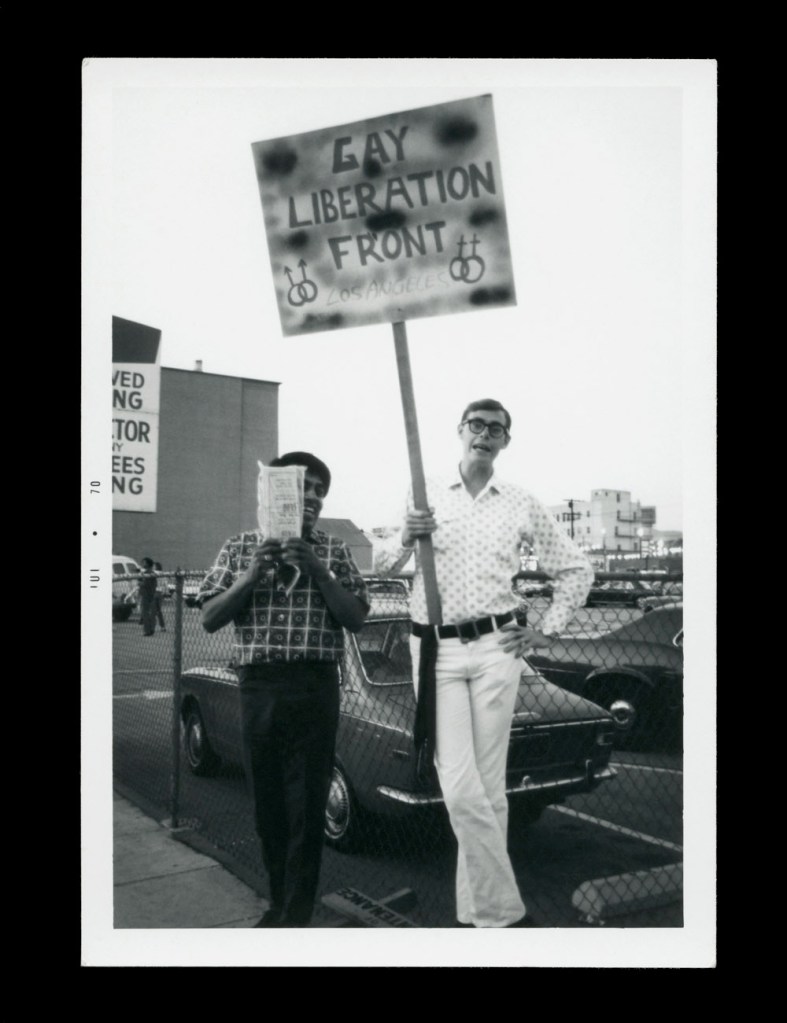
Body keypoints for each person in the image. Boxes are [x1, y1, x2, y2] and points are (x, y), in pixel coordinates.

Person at [400, 399, 593, 928]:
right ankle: (507, 912)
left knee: (488, 789)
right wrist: (404, 534)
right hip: (435, 648)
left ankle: (483, 917)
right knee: (460, 787)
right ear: (459, 431)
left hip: (496, 648)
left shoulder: (520, 502)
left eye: (496, 428)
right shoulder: (425, 494)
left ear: (506, 440)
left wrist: (544, 628)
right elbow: (393, 565)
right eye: (476, 425)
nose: (485, 434)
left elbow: (576, 569)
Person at [198, 452, 369, 927]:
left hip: (315, 685)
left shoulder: (334, 552)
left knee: (309, 802)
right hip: (260, 685)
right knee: (268, 799)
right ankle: (277, 900)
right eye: (304, 486)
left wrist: (318, 570)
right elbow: (211, 618)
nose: (312, 497)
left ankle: (297, 911)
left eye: (320, 490)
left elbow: (355, 618)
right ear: (275, 491)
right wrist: (251, 577)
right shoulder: (239, 549)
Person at [137, 557, 159, 636]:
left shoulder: (147, 573)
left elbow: (144, 583)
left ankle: (147, 630)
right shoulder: (152, 573)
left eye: (144, 563)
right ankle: (152, 628)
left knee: (145, 613)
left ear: (148, 564)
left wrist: (140, 583)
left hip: (146, 594)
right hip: (152, 594)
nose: (143, 564)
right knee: (152, 613)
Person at [153, 561, 166, 630]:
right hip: (160, 592)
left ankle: (153, 625)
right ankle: (162, 626)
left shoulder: (153, 573)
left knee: (154, 610)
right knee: (159, 610)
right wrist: (164, 592)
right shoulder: (163, 574)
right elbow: (165, 584)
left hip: (155, 592)